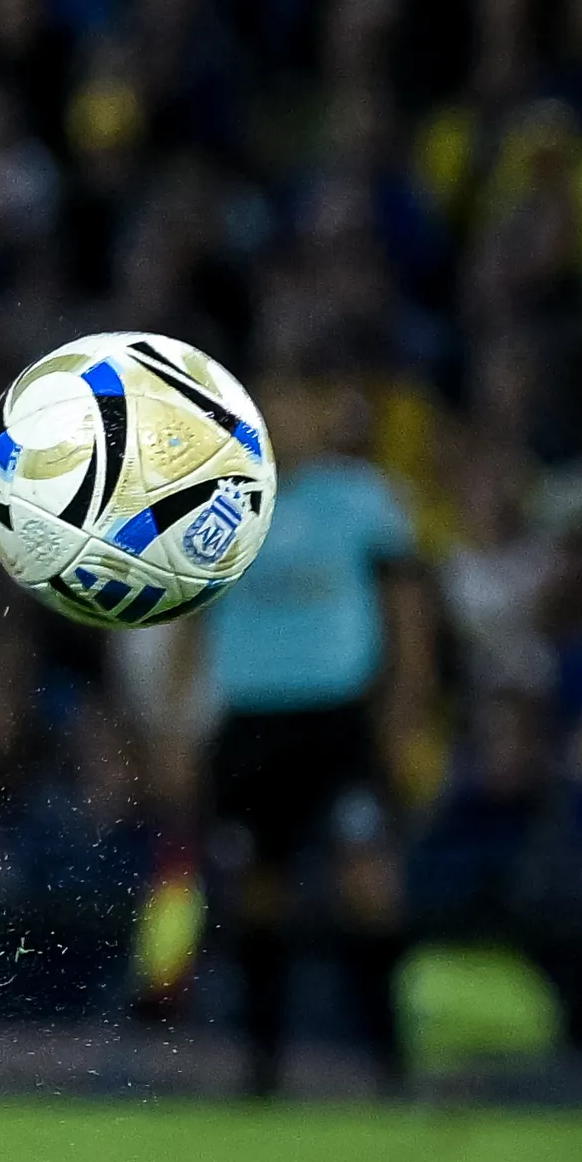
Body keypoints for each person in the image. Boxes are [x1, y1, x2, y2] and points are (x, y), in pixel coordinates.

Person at [184, 375, 431, 1094]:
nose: (285, 419)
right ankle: (262, 1069)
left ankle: (391, 1061)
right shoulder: (216, 507)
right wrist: (177, 719)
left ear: (326, 412)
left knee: (368, 880)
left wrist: (406, 710)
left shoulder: (362, 499)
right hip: (252, 717)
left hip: (338, 713)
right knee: (259, 887)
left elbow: (407, 612)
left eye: (298, 402)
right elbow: (190, 621)